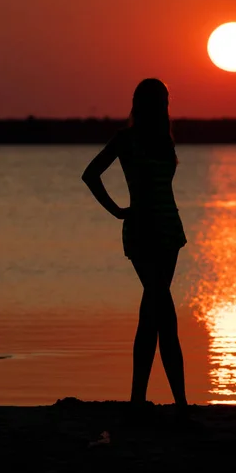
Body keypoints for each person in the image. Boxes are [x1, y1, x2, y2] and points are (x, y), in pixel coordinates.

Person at [82, 78, 189, 421]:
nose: (164, 106)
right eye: (162, 101)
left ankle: (138, 400)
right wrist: (116, 210)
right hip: (143, 231)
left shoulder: (164, 139)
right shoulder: (126, 140)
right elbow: (90, 174)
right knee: (163, 312)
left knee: (152, 312)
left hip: (169, 229)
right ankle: (179, 404)